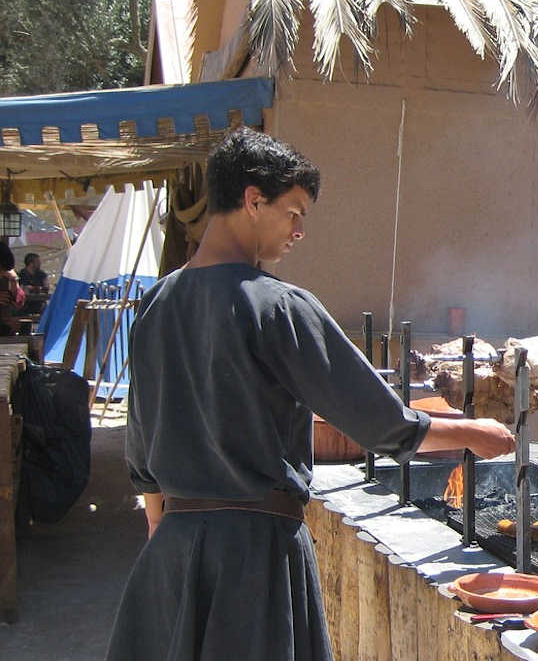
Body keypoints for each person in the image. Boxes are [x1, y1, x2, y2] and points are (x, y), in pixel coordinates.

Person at [106, 128, 516, 661]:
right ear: (253, 200)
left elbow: (142, 456)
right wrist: (473, 433)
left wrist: (172, 550)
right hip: (255, 557)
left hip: (173, 554)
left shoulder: (155, 304)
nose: (299, 231)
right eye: (293, 212)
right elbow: (378, 423)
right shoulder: (277, 306)